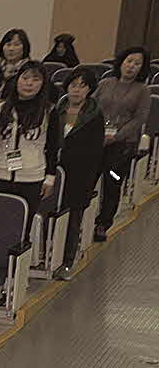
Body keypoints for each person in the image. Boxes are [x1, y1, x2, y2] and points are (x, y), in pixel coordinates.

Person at [0, 61, 59, 224]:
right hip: (0, 175)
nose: (29, 83)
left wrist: (50, 178)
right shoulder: (1, 108)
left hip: (32, 178)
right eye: (25, 78)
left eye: (35, 79)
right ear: (17, 80)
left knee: (23, 227)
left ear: (43, 84)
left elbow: (53, 147)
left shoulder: (49, 111)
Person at [52, 69, 106, 279]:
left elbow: (95, 152)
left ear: (89, 89)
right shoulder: (56, 110)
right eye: (73, 84)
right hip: (55, 173)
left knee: (73, 218)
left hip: (79, 175)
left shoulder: (94, 115)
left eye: (82, 85)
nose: (77, 89)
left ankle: (66, 262)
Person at [94, 45, 152, 241]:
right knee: (88, 181)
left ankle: (103, 222)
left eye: (137, 64)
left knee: (113, 182)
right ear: (121, 62)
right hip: (96, 141)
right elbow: (92, 108)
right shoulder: (105, 84)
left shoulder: (142, 91)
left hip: (122, 147)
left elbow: (138, 120)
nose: (131, 66)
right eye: (129, 61)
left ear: (141, 68)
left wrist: (116, 136)